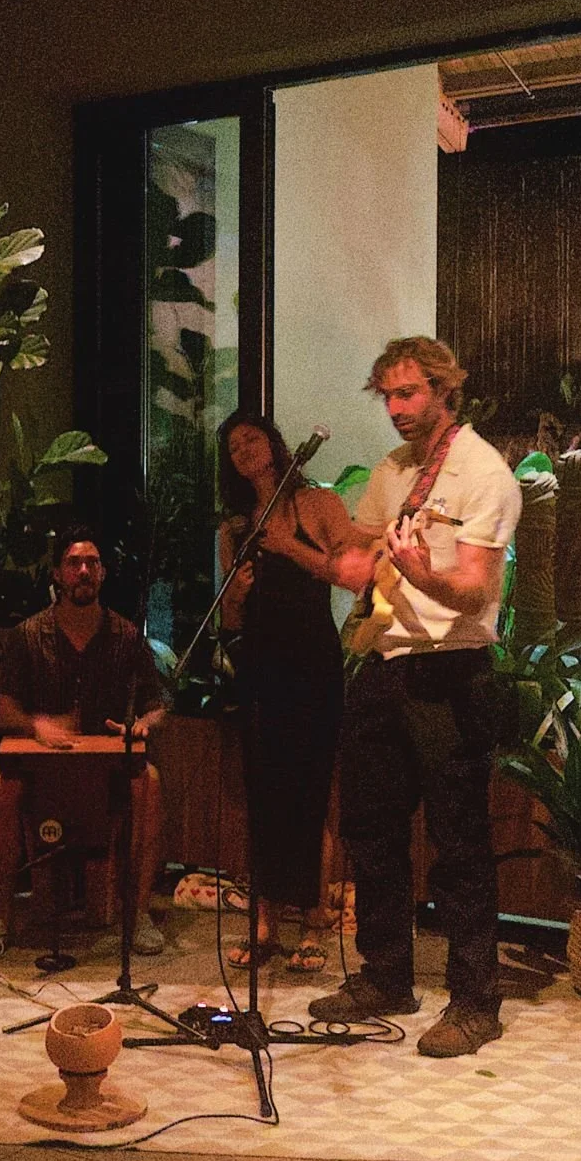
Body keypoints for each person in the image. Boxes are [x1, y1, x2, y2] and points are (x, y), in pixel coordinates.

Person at [309, 337, 521, 1057]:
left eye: (409, 393)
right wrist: (299, 541)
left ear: (444, 390)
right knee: (371, 829)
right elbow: (358, 563)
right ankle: (386, 976)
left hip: (450, 671)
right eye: (389, 396)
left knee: (459, 841)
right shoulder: (393, 471)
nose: (396, 409)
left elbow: (475, 591)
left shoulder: (482, 472)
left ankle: (475, 1001)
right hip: (384, 663)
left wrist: (419, 572)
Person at [0, 524, 167, 955]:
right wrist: (37, 725)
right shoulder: (27, 635)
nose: (83, 571)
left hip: (107, 770)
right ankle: (0, 916)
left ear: (103, 574)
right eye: (73, 563)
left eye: (92, 563)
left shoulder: (126, 636)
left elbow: (158, 704)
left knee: (150, 782)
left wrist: (141, 724)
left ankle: (139, 915)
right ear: (57, 574)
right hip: (44, 768)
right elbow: (4, 712)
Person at [217, 412, 356, 973]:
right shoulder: (233, 530)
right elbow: (229, 620)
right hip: (261, 669)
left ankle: (314, 919)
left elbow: (350, 572)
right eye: (233, 447)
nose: (244, 450)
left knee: (310, 794)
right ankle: (265, 922)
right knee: (264, 797)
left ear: (274, 444)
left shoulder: (319, 505)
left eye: (251, 439)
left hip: (313, 666)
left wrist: (289, 549)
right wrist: (235, 594)